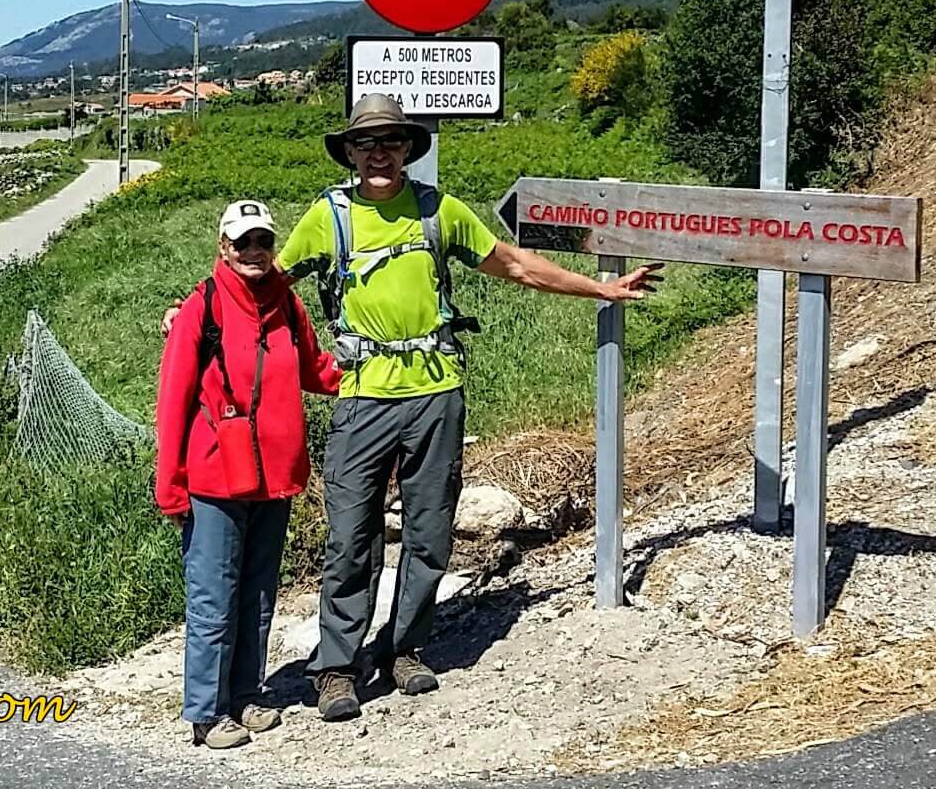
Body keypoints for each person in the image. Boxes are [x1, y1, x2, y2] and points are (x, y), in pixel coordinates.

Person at [166, 94, 661, 723]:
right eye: (366, 143)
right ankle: (338, 667)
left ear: (407, 150)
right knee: (351, 537)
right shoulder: (329, 216)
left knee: (429, 532)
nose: (378, 152)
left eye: (391, 142)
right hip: (362, 394)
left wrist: (600, 287)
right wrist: (189, 314)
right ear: (349, 153)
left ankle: (404, 649)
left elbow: (511, 263)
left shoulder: (438, 211)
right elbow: (259, 281)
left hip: (436, 391)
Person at [154, 199, 342, 750]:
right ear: (223, 248)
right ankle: (207, 714)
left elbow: (314, 368)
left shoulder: (286, 303)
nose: (254, 252)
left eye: (262, 241)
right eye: (243, 243)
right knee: (214, 596)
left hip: (274, 477)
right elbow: (173, 400)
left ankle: (246, 696)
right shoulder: (200, 308)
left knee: (259, 594)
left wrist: (368, 375)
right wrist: (171, 484)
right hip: (214, 477)